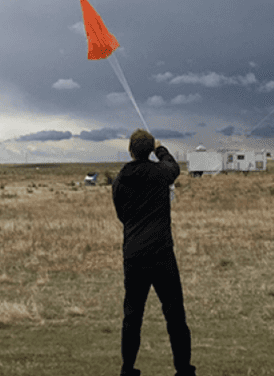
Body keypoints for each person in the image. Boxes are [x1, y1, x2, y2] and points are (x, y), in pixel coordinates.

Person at [112, 130, 196, 376]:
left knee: (132, 316)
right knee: (175, 315)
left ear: (130, 150)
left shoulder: (119, 180)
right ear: (149, 151)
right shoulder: (160, 173)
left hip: (134, 255)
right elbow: (173, 166)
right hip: (162, 254)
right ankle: (183, 370)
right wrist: (160, 148)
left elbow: (122, 216)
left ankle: (128, 369)